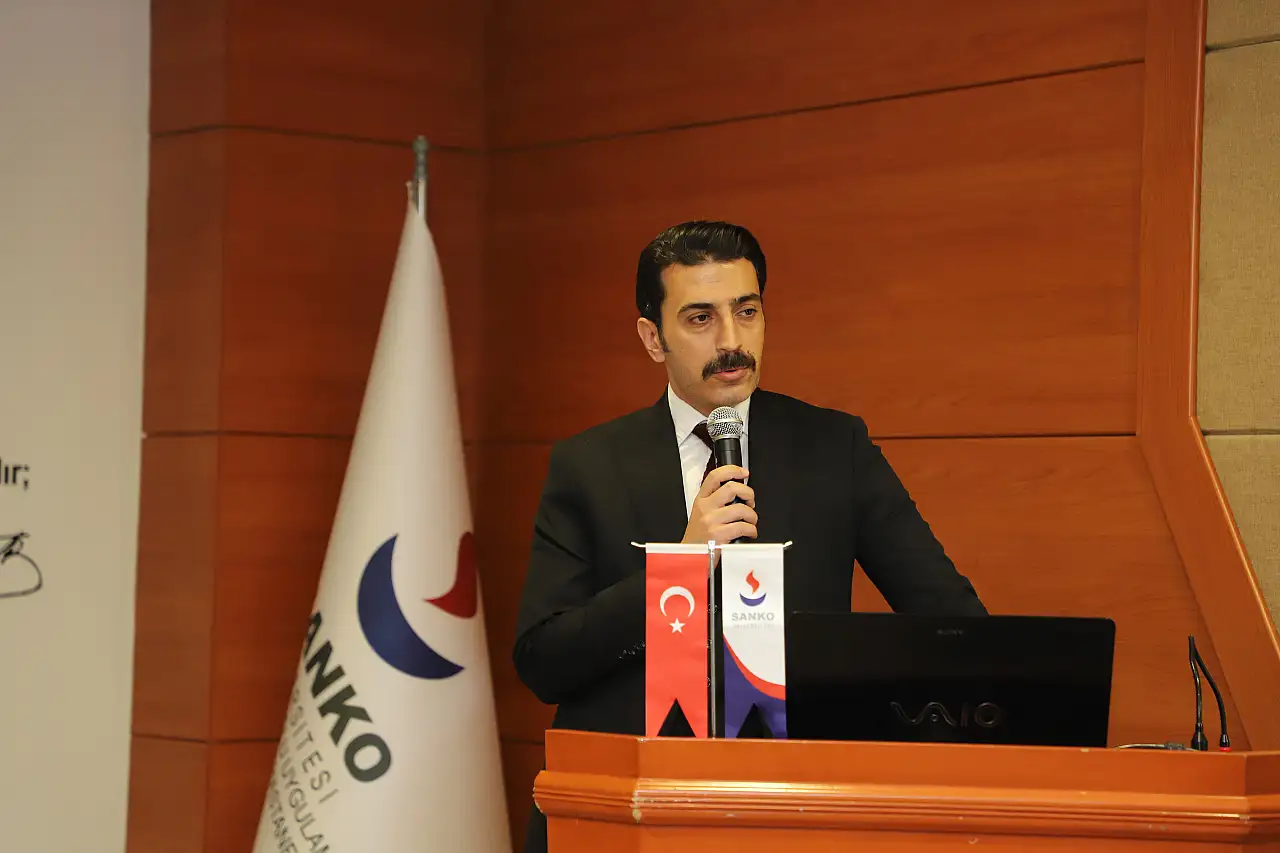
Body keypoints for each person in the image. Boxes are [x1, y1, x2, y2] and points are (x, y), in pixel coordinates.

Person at [511, 220, 986, 852]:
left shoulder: (833, 447)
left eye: (747, 312)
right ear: (653, 338)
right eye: (700, 319)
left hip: (795, 808)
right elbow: (545, 661)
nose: (732, 342)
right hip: (634, 812)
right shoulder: (591, 466)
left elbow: (953, 624)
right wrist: (680, 567)